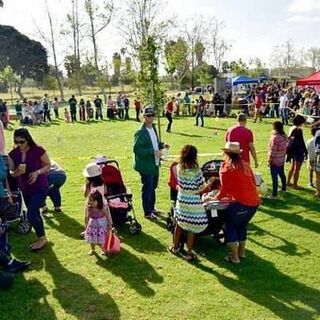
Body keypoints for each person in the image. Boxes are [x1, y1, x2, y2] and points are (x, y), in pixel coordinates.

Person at [213, 141, 260, 264]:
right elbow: (254, 182)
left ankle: (234, 257)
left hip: (240, 203)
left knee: (231, 227)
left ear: (226, 153)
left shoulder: (225, 168)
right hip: (254, 202)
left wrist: (214, 198)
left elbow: (224, 189)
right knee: (242, 225)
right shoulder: (245, 164)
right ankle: (241, 253)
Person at [8, 128, 51, 251]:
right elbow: (11, 172)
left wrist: (37, 172)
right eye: (17, 142)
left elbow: (48, 165)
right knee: (35, 213)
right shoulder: (13, 154)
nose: (19, 145)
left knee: (31, 214)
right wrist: (16, 172)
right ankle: (42, 237)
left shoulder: (38, 150)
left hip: (40, 186)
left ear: (28, 139)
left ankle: (41, 238)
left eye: (22, 142)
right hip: (25, 188)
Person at [168, 145, 212, 261]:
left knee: (179, 222)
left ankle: (175, 247)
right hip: (193, 200)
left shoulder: (179, 168)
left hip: (181, 198)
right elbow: (201, 187)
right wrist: (209, 183)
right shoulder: (196, 171)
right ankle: (188, 253)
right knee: (192, 227)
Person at [133, 107, 166, 220]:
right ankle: (147, 212)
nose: (150, 118)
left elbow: (154, 143)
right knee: (147, 188)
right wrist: (152, 151)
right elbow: (137, 149)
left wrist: (162, 145)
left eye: (152, 115)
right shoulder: (140, 132)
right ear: (144, 117)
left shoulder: (154, 128)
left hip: (155, 163)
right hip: (146, 165)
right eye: (148, 116)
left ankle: (152, 208)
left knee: (153, 187)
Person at [81, 162, 107, 236]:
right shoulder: (103, 182)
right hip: (102, 202)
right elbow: (105, 191)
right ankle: (103, 231)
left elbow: (86, 195)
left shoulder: (89, 184)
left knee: (88, 216)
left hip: (91, 202)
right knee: (102, 217)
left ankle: (87, 230)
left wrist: (84, 189)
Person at [84, 189, 112, 255]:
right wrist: (86, 225)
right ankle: (92, 249)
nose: (91, 202)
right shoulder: (89, 208)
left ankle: (103, 249)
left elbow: (108, 217)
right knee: (92, 238)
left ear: (99, 200)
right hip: (92, 226)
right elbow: (87, 217)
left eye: (94, 201)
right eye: (90, 200)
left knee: (102, 239)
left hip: (101, 226)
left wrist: (110, 225)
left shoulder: (103, 208)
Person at [268, 121, 288, 198]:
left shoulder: (275, 138)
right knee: (282, 174)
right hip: (281, 159)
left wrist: (269, 160)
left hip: (275, 160)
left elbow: (272, 150)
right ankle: (284, 188)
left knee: (274, 177)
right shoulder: (284, 136)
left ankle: (274, 194)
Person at [286, 115, 307, 189]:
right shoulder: (299, 130)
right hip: (298, 150)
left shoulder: (291, 128)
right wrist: (305, 151)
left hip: (291, 149)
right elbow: (301, 141)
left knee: (292, 167)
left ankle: (288, 182)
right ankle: (295, 184)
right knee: (297, 168)